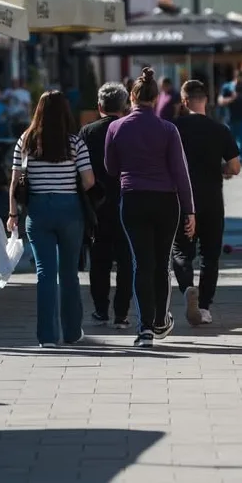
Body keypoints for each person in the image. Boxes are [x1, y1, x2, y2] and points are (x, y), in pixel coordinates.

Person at [104, 67, 195, 348]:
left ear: (131, 96)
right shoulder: (168, 129)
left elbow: (110, 167)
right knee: (161, 262)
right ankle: (159, 321)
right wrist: (189, 209)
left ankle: (144, 329)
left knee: (140, 263)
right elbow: (181, 172)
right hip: (166, 201)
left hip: (132, 198)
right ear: (156, 99)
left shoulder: (115, 127)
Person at [7, 91, 95, 347]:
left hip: (38, 210)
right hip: (69, 209)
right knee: (69, 273)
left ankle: (47, 337)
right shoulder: (74, 143)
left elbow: (15, 183)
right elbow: (89, 181)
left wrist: (12, 214)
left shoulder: (25, 142)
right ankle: (72, 332)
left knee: (45, 274)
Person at [171, 80, 240, 326]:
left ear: (184, 101)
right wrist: (218, 168)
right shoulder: (220, 130)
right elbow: (234, 167)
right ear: (205, 100)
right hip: (212, 198)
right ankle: (204, 306)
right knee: (210, 255)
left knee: (181, 251)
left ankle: (188, 287)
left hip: (181, 199)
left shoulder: (173, 128)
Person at [79, 82, 133, 329]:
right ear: (124, 106)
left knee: (99, 260)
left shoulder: (88, 132)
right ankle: (121, 313)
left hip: (96, 205)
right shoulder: (130, 129)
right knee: (126, 260)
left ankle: (101, 310)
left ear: (99, 106)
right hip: (128, 202)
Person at [217, 67, 242, 167]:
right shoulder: (227, 87)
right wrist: (232, 98)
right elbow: (220, 101)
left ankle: (240, 161)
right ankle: (230, 160)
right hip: (229, 119)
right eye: (239, 77)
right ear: (235, 77)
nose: (241, 80)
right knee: (230, 141)